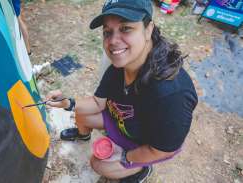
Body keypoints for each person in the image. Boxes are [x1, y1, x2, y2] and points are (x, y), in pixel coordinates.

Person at [46, 0, 198, 182]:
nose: (113, 41)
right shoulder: (120, 65)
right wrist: (67, 103)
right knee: (80, 115)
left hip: (145, 144)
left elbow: (163, 149)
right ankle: (83, 135)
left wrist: (127, 157)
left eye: (125, 28)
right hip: (120, 121)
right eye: (107, 32)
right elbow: (97, 102)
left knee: (98, 165)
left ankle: (141, 171)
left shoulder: (172, 94)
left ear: (148, 29)